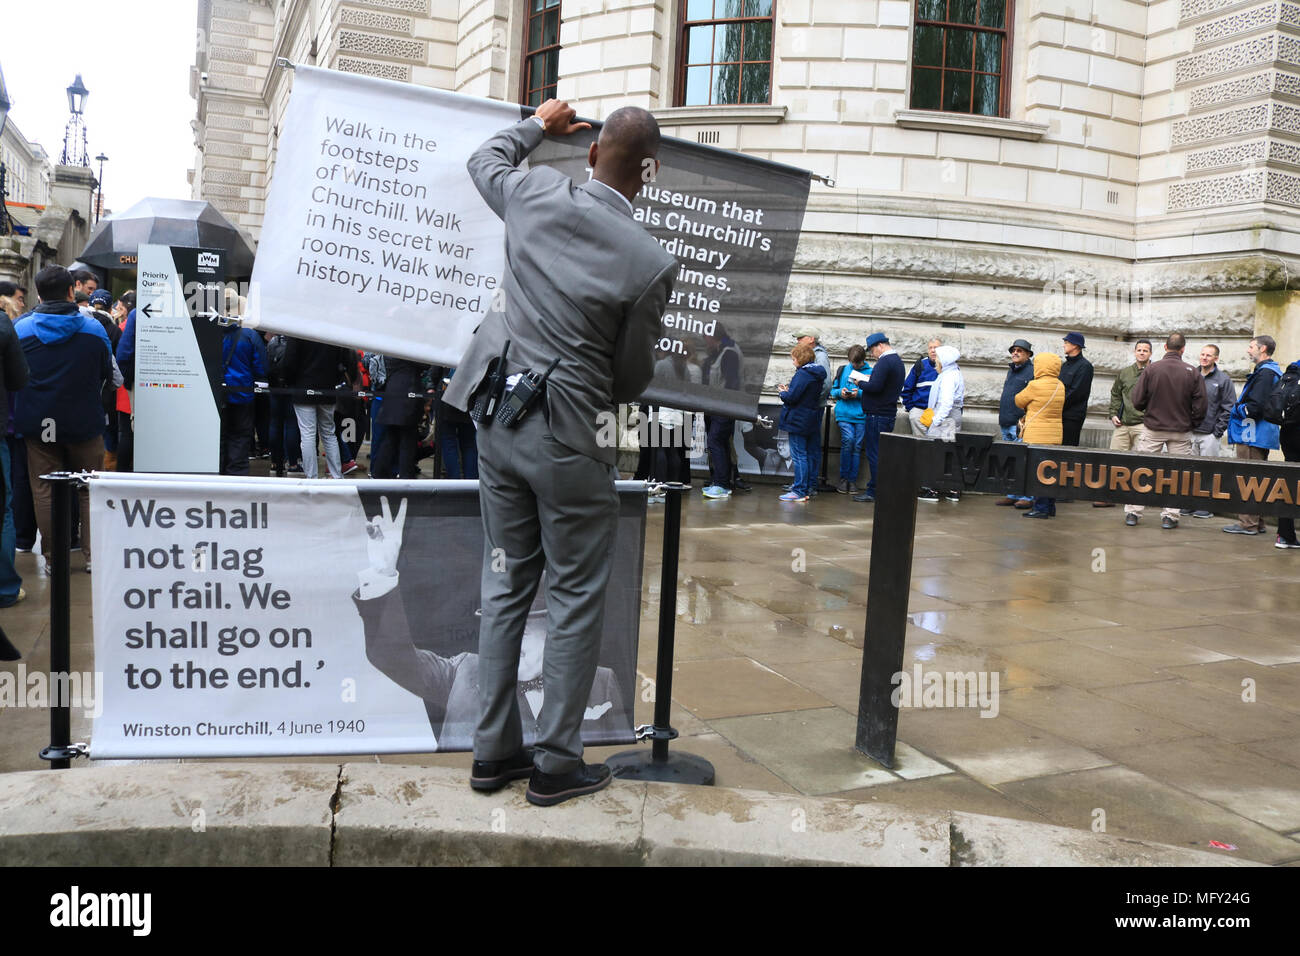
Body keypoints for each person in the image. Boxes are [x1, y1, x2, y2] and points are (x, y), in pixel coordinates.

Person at [440, 99, 675, 805]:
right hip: (571, 439)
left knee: (506, 582)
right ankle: (555, 764)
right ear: (649, 173)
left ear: (593, 151)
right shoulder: (650, 262)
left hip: (496, 422)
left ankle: (492, 755)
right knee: (572, 596)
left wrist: (538, 126)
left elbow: (485, 160)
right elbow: (630, 379)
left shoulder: (535, 189)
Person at [355, 497, 627, 762]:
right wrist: (382, 573)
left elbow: (615, 762)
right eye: (508, 630)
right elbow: (390, 655)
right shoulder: (460, 673)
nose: (513, 643)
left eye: (526, 633)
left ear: (553, 632)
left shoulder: (598, 683)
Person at [13, 266, 113, 573]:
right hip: (84, 420)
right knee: (89, 487)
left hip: (39, 421)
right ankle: (93, 556)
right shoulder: (94, 329)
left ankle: (54, 558)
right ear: (72, 291)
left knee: (44, 489)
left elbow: (15, 376)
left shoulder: (21, 329)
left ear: (39, 294)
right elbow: (108, 374)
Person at [1123, 333, 1207, 530]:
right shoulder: (1192, 372)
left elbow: (1137, 400)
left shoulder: (1152, 369)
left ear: (1165, 347)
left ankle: (1133, 512)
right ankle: (1170, 516)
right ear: (1183, 349)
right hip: (1181, 429)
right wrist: (1191, 422)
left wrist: (1149, 411)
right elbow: (1202, 404)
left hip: (1153, 427)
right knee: (1177, 474)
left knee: (1142, 470)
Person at [1224, 335, 1283, 535]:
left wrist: (1237, 410)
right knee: (1258, 479)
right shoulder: (1269, 371)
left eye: (1251, 347)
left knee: (1248, 479)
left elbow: (1255, 408)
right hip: (1259, 434)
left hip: (1252, 434)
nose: (1248, 350)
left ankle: (1247, 524)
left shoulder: (1265, 374)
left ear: (1263, 349)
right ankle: (1258, 523)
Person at [282, 336, 351, 479]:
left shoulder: (298, 331)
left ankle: (311, 477)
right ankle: (336, 474)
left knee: (307, 434)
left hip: (303, 387)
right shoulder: (329, 330)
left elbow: (289, 362)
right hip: (327, 388)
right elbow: (344, 359)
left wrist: (289, 381)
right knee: (329, 433)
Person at [1181, 344, 1236, 518]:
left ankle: (1205, 507)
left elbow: (1229, 408)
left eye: (1209, 355)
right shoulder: (1191, 375)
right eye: (1202, 354)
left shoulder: (1223, 380)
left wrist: (1217, 431)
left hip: (1209, 434)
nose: (1204, 357)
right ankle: (1188, 504)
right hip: (1189, 432)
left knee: (1207, 472)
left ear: (1216, 359)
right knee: (1189, 471)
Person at [0, 298, 30, 606]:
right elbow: (20, 378)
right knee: (3, 507)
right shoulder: (5, 327)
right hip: (3, 431)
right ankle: (5, 589)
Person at [852, 332, 904, 503]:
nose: (872, 354)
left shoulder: (885, 362)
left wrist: (859, 382)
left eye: (872, 350)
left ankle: (874, 491)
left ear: (880, 346)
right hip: (887, 413)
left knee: (875, 454)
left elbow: (875, 387)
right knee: (882, 454)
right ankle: (882, 489)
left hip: (877, 414)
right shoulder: (897, 361)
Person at [1015, 351, 1065, 518]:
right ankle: (1050, 507)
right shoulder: (1060, 385)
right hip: (1055, 435)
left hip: (1037, 435)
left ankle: (1041, 508)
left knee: (1037, 474)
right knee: (1050, 472)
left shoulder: (1035, 385)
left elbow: (1018, 400)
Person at [777, 342, 826, 502]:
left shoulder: (802, 374)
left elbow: (792, 397)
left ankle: (799, 490)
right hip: (810, 417)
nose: (793, 361)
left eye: (794, 358)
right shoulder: (817, 373)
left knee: (799, 456)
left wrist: (783, 393)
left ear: (800, 358)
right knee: (808, 453)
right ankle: (806, 488)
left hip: (797, 419)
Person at [917, 344, 965, 502]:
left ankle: (933, 490)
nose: (935, 360)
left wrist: (935, 421)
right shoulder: (954, 372)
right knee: (948, 454)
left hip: (946, 418)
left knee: (937, 453)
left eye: (937, 357)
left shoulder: (948, 377)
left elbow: (946, 403)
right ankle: (953, 490)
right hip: (952, 416)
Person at [219, 325, 268, 476]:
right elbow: (262, 368)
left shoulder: (209, 331)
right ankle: (236, 474)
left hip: (216, 394)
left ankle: (217, 470)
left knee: (218, 436)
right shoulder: (249, 335)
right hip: (242, 394)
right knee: (240, 436)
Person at [701, 326, 742, 499]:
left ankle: (721, 484)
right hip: (715, 406)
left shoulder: (729, 353)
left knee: (715, 441)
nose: (704, 341)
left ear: (712, 336)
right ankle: (722, 482)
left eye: (706, 337)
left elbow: (732, 382)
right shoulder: (717, 353)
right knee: (721, 443)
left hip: (722, 407)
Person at [371, 356, 429, 479]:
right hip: (407, 396)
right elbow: (425, 364)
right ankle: (405, 476)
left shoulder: (393, 352)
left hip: (393, 393)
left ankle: (379, 473)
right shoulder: (408, 352)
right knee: (407, 441)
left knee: (391, 438)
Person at [996, 339, 1034, 508]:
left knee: (1023, 461)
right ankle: (1012, 493)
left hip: (1019, 424)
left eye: (1019, 350)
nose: (1015, 353)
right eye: (1013, 350)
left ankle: (1027, 496)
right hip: (1006, 421)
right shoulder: (1011, 370)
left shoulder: (1032, 372)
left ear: (1028, 354)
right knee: (1010, 461)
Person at [793, 329, 831, 496]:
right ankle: (807, 484)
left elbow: (826, 384)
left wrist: (811, 399)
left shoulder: (819, 356)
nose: (798, 341)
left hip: (813, 407)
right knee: (809, 447)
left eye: (800, 338)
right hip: (813, 406)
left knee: (809, 447)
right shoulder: (814, 354)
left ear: (811, 339)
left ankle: (808, 484)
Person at [830, 344, 869, 493]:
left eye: (857, 364)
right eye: (852, 363)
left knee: (856, 447)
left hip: (860, 415)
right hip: (844, 413)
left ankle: (851, 480)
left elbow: (873, 393)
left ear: (863, 360)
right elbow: (833, 391)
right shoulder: (843, 370)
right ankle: (843, 478)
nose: (855, 366)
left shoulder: (870, 372)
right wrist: (841, 392)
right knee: (848, 441)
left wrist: (857, 394)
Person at [1059, 331, 1093, 447]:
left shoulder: (1085, 366)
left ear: (1075, 345)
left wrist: (1057, 404)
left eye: (1066, 342)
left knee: (1067, 450)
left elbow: (1076, 392)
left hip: (1072, 417)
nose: (1064, 345)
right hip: (1059, 414)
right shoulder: (1065, 365)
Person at [901, 338, 940, 434]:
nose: (933, 350)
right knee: (922, 442)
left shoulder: (947, 366)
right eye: (930, 347)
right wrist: (911, 408)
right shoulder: (920, 365)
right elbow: (907, 388)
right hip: (920, 409)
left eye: (936, 347)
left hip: (939, 410)